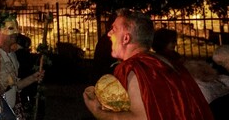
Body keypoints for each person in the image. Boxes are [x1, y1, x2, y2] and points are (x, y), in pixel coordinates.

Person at [83, 8, 214, 120]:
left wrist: (97, 111)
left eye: (114, 29)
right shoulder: (166, 63)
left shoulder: (136, 68)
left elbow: (141, 118)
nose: (109, 33)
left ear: (126, 38)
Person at [0, 13, 45, 119]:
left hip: (13, 111)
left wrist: (32, 78)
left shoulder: (13, 55)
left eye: (16, 28)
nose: (16, 32)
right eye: (10, 28)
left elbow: (15, 86)